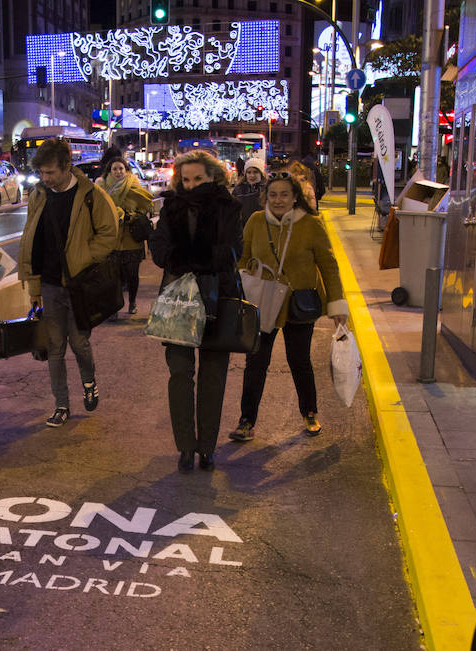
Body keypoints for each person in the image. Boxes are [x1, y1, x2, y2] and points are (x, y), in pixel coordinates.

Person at [231, 172, 348, 443]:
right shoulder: (256, 221)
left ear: (295, 197)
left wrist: (336, 304)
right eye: (273, 194)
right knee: (256, 363)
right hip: (264, 303)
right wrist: (248, 278)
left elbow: (329, 265)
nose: (278, 200)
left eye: (284, 194)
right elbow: (242, 257)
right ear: (265, 197)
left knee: (300, 361)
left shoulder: (310, 225)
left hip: (299, 302)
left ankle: (309, 412)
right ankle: (246, 421)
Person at [149, 151, 244, 473]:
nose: (190, 186)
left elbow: (231, 253)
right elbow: (159, 251)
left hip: (218, 298)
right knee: (179, 375)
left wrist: (187, 257)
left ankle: (207, 448)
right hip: (177, 302)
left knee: (213, 378)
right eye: (185, 180)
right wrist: (193, 257)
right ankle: (185, 448)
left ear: (213, 177)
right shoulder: (171, 207)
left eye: (198, 179)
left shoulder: (228, 207)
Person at [17, 138, 119, 427]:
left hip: (78, 285)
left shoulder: (91, 195)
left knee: (79, 343)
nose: (45, 178)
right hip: (49, 284)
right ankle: (61, 404)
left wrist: (82, 258)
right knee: (54, 347)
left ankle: (89, 382)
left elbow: (109, 235)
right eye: (42, 173)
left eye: (50, 172)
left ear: (66, 167)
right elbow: (31, 243)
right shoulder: (39, 195)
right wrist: (34, 290)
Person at [95, 156, 153, 315]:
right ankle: (115, 305)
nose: (118, 172)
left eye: (121, 168)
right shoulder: (101, 188)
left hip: (131, 237)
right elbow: (97, 211)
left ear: (126, 170)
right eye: (115, 169)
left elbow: (145, 207)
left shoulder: (134, 185)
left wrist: (130, 216)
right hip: (111, 239)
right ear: (110, 171)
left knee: (132, 275)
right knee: (114, 277)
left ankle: (132, 302)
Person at [231, 157, 267, 227]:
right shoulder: (239, 190)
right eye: (249, 172)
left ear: (261, 173)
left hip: (263, 227)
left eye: (255, 172)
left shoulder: (267, 188)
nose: (252, 175)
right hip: (244, 227)